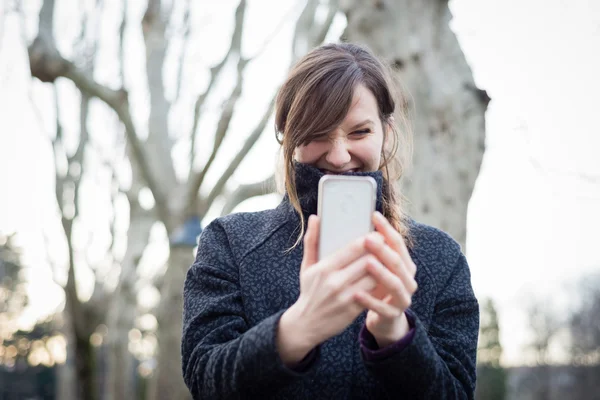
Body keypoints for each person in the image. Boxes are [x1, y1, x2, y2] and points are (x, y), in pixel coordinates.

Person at [181, 43, 479, 399]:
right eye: (318, 133)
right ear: (288, 140)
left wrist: (395, 332)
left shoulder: (440, 257)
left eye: (359, 132)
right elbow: (204, 379)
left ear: (387, 132)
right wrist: (298, 327)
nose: (338, 157)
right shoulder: (229, 242)